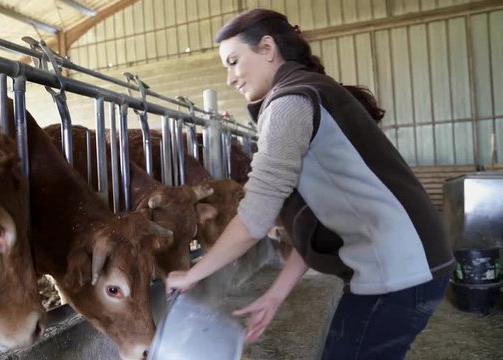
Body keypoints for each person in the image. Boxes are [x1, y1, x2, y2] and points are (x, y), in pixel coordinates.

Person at [166, 8, 454, 360]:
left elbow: (255, 216)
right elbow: (317, 224)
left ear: (268, 48)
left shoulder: (289, 103)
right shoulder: (306, 93)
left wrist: (193, 274)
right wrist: (276, 294)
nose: (229, 78)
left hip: (399, 271)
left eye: (233, 61)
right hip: (408, 266)